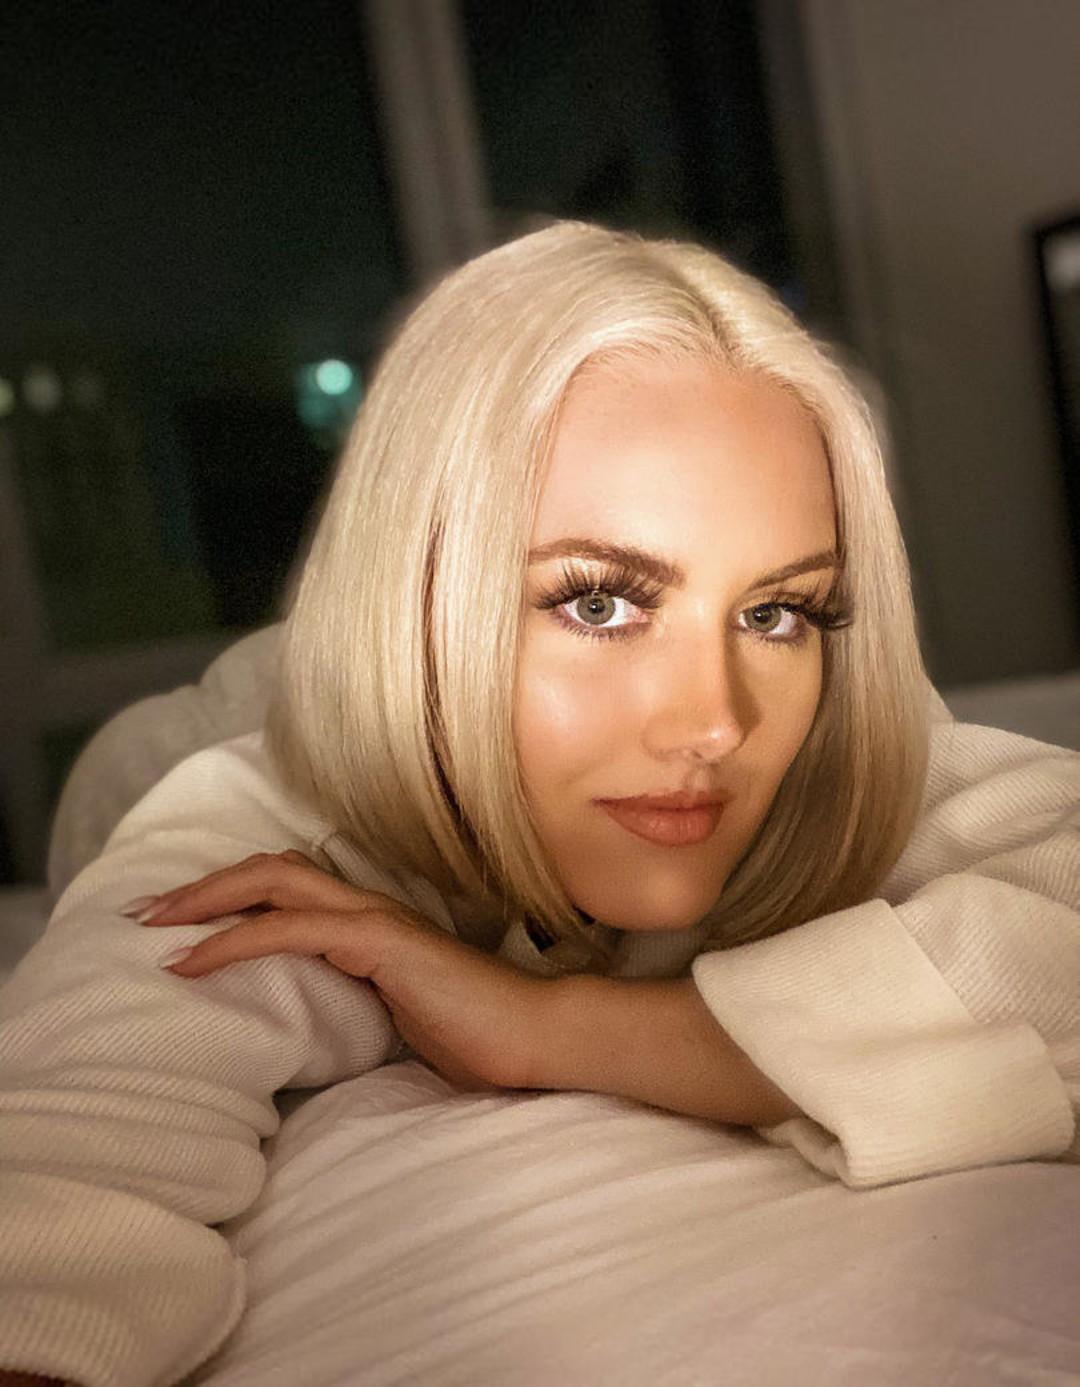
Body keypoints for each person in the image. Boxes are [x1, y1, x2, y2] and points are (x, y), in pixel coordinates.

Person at [1, 220, 1076, 1387]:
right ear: (429, 590)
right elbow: (72, 1160)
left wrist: (549, 1028)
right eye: (600, 602)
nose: (716, 722)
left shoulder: (833, 745)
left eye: (775, 612)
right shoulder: (263, 822)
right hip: (241, 715)